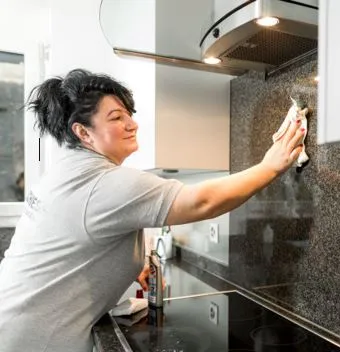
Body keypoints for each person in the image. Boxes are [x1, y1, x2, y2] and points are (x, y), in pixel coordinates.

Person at [0, 69, 307, 351]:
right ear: (83, 132)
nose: (132, 123)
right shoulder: (100, 183)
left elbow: (86, 238)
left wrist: (135, 261)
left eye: (129, 114)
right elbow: (202, 202)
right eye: (117, 117)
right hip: (33, 338)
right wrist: (271, 165)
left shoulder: (65, 173)